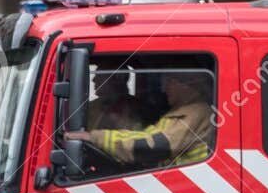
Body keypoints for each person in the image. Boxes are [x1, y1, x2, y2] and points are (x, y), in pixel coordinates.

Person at [67, 71, 215, 168]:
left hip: (181, 189)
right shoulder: (187, 111)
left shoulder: (195, 112)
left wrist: (94, 137)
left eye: (170, 82)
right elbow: (145, 136)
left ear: (187, 84)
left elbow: (150, 145)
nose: (164, 88)